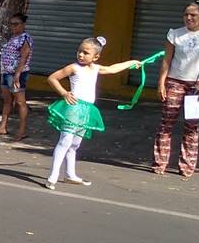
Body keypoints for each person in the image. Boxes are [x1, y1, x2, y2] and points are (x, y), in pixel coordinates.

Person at [45, 37, 140, 190]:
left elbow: (112, 69)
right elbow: (53, 78)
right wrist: (64, 93)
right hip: (74, 108)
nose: (81, 55)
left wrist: (131, 63)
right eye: (79, 51)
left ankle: (70, 175)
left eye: (85, 53)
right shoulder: (74, 67)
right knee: (65, 141)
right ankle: (53, 176)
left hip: (87, 110)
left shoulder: (96, 68)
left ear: (96, 57)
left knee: (75, 144)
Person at [152, 1, 199, 178]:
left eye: (193, 15)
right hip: (175, 81)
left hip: (198, 84)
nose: (189, 18)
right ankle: (159, 163)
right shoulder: (175, 34)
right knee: (166, 123)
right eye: (186, 14)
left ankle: (187, 166)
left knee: (192, 126)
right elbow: (167, 60)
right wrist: (161, 82)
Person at [0, 13, 32, 140]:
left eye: (16, 24)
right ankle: (3, 127)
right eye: (12, 24)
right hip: (6, 72)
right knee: (7, 101)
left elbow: (23, 58)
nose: (13, 27)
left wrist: (17, 75)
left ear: (23, 24)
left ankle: (22, 130)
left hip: (16, 74)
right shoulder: (13, 38)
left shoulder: (25, 38)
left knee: (20, 102)